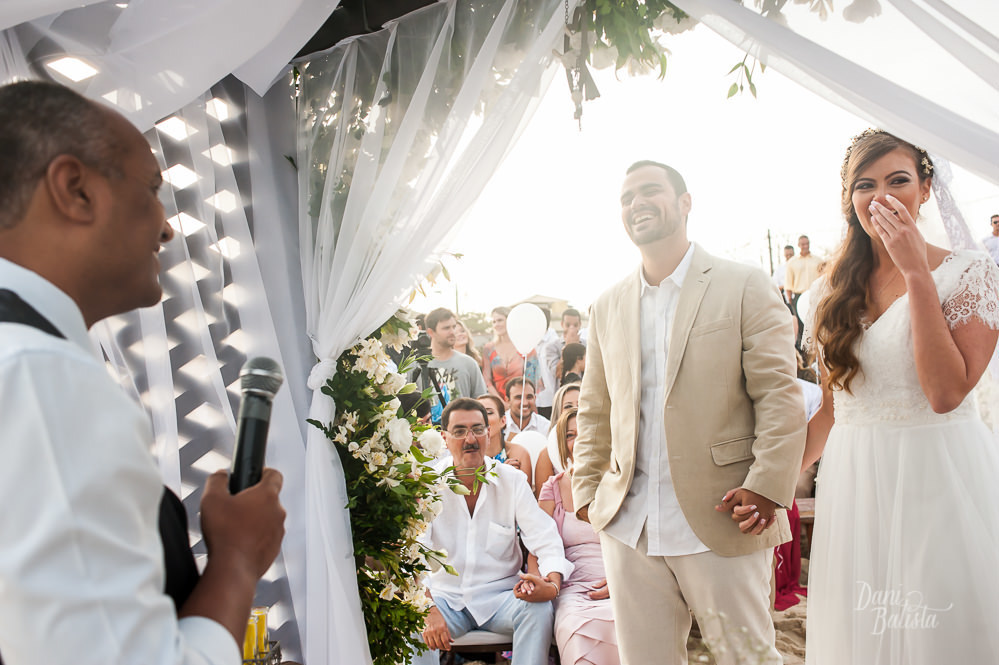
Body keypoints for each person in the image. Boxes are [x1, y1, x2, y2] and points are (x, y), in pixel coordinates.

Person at [0, 80, 286, 665]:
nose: (166, 227)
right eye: (153, 189)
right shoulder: (41, 377)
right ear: (75, 189)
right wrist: (237, 559)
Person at [572, 160, 805, 665]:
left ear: (684, 202)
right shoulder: (607, 304)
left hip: (726, 515)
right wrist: (589, 494)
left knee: (748, 658)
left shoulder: (743, 284)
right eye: (626, 197)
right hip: (629, 524)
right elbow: (594, 409)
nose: (636, 204)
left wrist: (767, 485)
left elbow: (779, 395)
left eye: (650, 191)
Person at [801, 129, 999, 664]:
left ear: (926, 189)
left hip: (939, 478)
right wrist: (771, 484)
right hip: (857, 484)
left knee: (939, 634)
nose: (881, 195)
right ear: (850, 201)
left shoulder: (971, 274)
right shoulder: (825, 292)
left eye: (898, 180)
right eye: (864, 185)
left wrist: (916, 272)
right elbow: (832, 410)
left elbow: (945, 393)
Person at [417, 398, 572, 665]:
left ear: (489, 433)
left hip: (501, 600)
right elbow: (413, 555)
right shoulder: (428, 484)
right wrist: (426, 607)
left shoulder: (512, 481)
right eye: (459, 431)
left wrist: (552, 584)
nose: (470, 439)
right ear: (444, 437)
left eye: (478, 429)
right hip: (444, 599)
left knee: (538, 609)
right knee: (410, 622)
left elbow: (545, 539)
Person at [532, 408, 620, 665]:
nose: (579, 440)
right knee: (576, 628)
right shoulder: (553, 488)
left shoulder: (621, 484)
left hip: (619, 583)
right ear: (563, 443)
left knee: (630, 626)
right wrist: (547, 584)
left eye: (586, 432)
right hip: (571, 588)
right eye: (570, 435)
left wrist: (619, 581)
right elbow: (537, 547)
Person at [482, 306, 542, 400]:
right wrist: (500, 402)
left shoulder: (527, 348)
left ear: (510, 321)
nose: (496, 324)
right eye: (494, 322)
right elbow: (486, 380)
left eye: (500, 320)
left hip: (522, 402)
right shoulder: (488, 349)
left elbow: (532, 382)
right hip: (497, 403)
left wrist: (516, 402)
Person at [535, 382, 581, 497]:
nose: (576, 409)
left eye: (581, 404)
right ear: (558, 412)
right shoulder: (547, 454)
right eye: (568, 406)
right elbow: (543, 502)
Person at [477, 393, 533, 486]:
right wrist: (502, 474)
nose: (483, 418)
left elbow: (524, 495)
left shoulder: (518, 453)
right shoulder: (469, 456)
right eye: (478, 414)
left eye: (489, 413)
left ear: (503, 421)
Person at [786, 235, 824, 348]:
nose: (805, 246)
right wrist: (790, 301)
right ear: (799, 245)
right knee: (801, 326)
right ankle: (803, 353)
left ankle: (817, 348)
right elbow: (788, 283)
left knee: (816, 323)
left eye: (807, 243)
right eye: (803, 244)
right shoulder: (792, 262)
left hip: (815, 295)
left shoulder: (818, 260)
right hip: (798, 296)